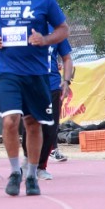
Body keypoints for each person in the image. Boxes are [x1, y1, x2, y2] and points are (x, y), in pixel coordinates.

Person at [0, 0, 70, 197]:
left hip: (36, 73)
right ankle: (14, 172)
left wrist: (44, 39)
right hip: (6, 70)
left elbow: (63, 29)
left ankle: (32, 174)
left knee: (33, 124)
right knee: (10, 120)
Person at [36, 39, 73, 178]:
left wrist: (66, 81)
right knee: (31, 125)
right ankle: (28, 161)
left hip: (52, 85)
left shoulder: (57, 30)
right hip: (31, 84)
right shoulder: (27, 25)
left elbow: (67, 58)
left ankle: (41, 167)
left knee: (51, 128)